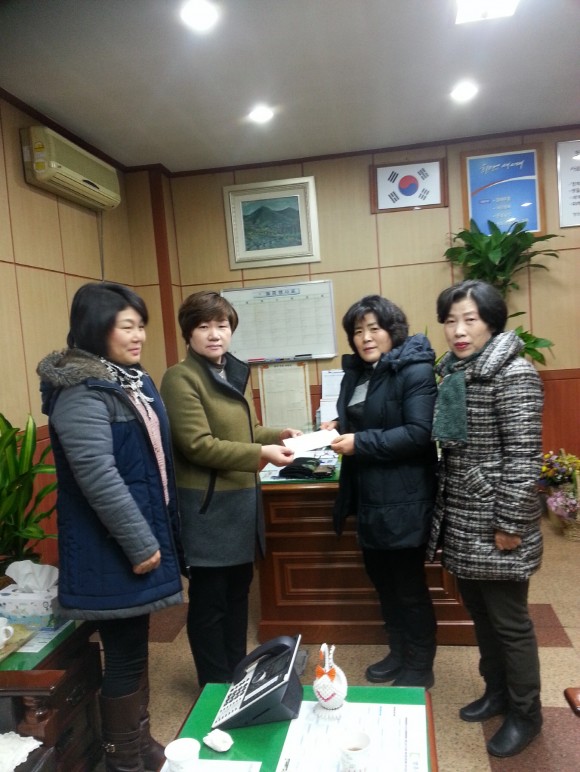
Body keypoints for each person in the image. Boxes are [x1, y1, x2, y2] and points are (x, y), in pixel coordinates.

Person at [37, 282, 184, 772]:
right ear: (97, 329)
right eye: (127, 327)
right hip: (111, 546)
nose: (139, 335)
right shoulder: (81, 391)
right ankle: (124, 760)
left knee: (133, 649)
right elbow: (97, 476)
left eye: (141, 326)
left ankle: (139, 743)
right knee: (123, 654)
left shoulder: (128, 381)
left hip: (133, 535)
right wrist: (141, 543)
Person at [160, 290, 301, 687]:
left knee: (238, 598)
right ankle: (213, 684)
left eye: (221, 325)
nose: (214, 334)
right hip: (208, 510)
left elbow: (247, 430)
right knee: (210, 603)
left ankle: (236, 676)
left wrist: (279, 434)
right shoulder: (180, 377)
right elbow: (197, 444)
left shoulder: (230, 371)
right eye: (203, 326)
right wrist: (261, 452)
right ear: (188, 333)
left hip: (240, 506)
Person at [427, 279, 544, 758]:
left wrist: (511, 524)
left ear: (491, 322)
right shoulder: (457, 371)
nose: (458, 330)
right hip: (463, 514)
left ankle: (526, 713)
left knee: (510, 623)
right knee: (480, 614)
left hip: (496, 517)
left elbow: (524, 456)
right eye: (451, 321)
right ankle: (496, 692)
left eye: (469, 320)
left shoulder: (514, 372)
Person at [321, 295, 438, 688]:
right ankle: (398, 652)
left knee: (407, 586)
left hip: (404, 497)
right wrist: (337, 428)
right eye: (358, 331)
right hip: (368, 497)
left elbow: (419, 434)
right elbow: (368, 418)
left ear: (393, 331)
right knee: (383, 582)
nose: (366, 337)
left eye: (374, 328)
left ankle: (420, 665)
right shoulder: (358, 373)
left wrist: (360, 442)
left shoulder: (414, 370)